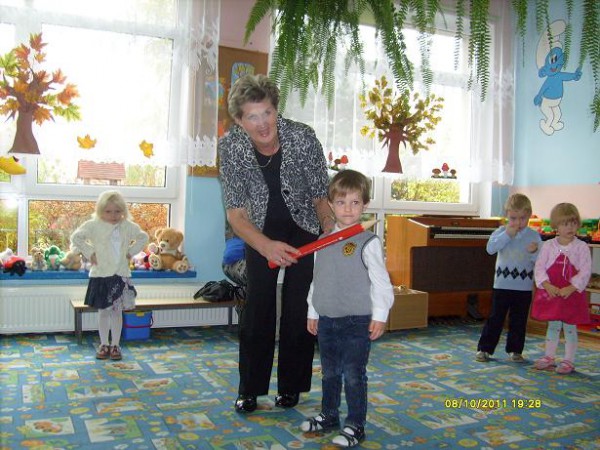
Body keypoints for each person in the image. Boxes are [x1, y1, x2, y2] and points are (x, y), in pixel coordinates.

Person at [218, 74, 334, 413]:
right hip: (259, 229)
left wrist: (328, 228)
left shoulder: (302, 137)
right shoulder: (231, 147)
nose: (262, 123)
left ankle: (291, 386)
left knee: (299, 307)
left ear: (276, 109)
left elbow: (320, 196)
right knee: (258, 308)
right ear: (239, 121)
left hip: (303, 227)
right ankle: (250, 389)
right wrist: (266, 246)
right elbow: (236, 214)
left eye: (267, 112)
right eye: (252, 116)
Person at [301, 169, 394, 448]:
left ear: (365, 205)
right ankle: (329, 415)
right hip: (327, 319)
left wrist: (380, 315)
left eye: (355, 202)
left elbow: (381, 282)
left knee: (353, 374)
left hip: (357, 320)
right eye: (341, 202)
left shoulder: (368, 242)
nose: (348, 209)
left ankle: (355, 424)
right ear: (330, 205)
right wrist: (313, 311)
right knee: (329, 372)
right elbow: (318, 279)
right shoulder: (323, 241)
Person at [71, 190, 148, 361]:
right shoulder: (93, 225)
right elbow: (76, 238)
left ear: (123, 211)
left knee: (116, 312)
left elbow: (143, 237)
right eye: (108, 211)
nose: (113, 215)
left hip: (120, 274)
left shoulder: (127, 226)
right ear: (100, 211)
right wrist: (90, 252)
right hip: (101, 275)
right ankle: (104, 343)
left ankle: (115, 345)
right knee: (103, 312)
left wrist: (131, 252)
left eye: (117, 211)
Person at [475, 193, 541, 363]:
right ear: (507, 216)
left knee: (519, 321)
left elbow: (540, 261)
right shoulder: (501, 232)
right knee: (495, 318)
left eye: (522, 218)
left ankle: (515, 350)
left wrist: (535, 252)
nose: (518, 223)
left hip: (523, 287)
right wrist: (507, 235)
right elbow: (490, 249)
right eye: (513, 218)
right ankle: (485, 348)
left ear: (529, 216)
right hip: (502, 285)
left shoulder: (534, 236)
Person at [531, 203, 591, 374]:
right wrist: (546, 285)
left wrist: (572, 287)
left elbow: (585, 271)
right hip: (552, 292)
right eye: (565, 224)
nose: (570, 227)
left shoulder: (581, 247)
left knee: (570, 326)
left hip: (571, 293)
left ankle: (568, 360)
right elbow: (539, 267)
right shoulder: (548, 246)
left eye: (573, 223)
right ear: (556, 226)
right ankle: (549, 357)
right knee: (553, 324)